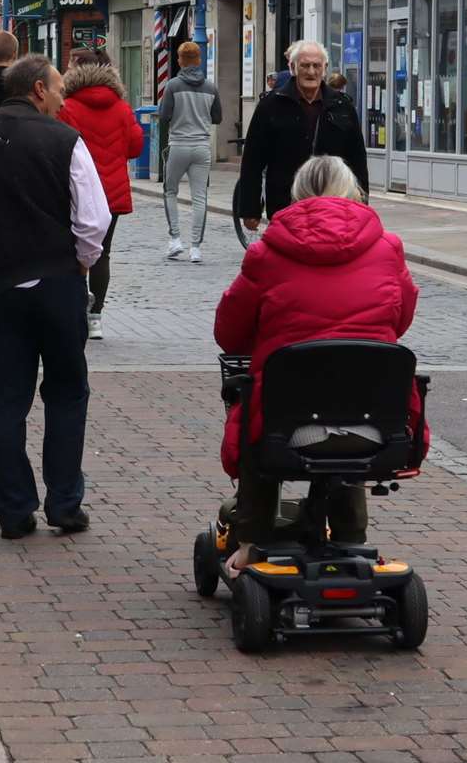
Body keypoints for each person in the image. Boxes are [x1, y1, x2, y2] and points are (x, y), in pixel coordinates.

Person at [214, 155, 428, 574]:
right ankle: (350, 537)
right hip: (374, 426)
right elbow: (400, 319)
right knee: (353, 397)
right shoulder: (388, 247)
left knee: (259, 414)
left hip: (289, 424)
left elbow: (229, 332)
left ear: (296, 197)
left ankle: (251, 541)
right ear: (353, 194)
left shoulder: (266, 253)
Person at [0, 54, 111, 539]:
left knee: (5, 399)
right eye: (58, 89)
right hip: (57, 284)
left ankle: (15, 510)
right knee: (66, 392)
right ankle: (64, 502)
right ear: (38, 89)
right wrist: (79, 262)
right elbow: (93, 219)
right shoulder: (65, 141)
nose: (62, 98)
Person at [57, 47, 143, 340]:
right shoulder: (120, 106)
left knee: (72, 251)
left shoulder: (66, 106)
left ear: (76, 70)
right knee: (102, 253)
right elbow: (135, 147)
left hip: (75, 190)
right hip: (112, 190)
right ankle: (96, 317)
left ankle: (76, 307)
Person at [238, 40, 368, 233]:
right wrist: (250, 208)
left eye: (316, 65)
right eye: (305, 65)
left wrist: (363, 204)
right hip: (285, 202)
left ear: (324, 68)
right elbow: (252, 160)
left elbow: (357, 158)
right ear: (292, 67)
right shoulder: (271, 105)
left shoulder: (343, 106)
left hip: (333, 201)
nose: (311, 72)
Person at [157, 41, 221, 263]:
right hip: (202, 146)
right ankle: (196, 248)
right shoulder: (211, 87)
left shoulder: (173, 85)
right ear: (199, 60)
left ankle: (175, 239)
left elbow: (164, 116)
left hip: (178, 144)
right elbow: (218, 117)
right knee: (199, 197)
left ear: (181, 60)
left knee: (170, 191)